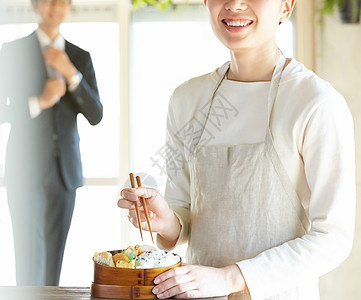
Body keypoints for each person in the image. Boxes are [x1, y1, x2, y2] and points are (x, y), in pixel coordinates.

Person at [118, 0, 356, 299]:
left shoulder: (315, 102)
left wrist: (230, 278)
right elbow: (186, 213)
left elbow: (333, 238)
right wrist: (164, 219)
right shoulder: (187, 99)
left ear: (286, 7)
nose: (234, 4)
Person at [0, 0, 102, 286]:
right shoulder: (13, 51)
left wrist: (71, 74)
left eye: (62, 1)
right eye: (48, 0)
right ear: (35, 5)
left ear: (69, 8)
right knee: (27, 257)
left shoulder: (80, 57)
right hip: (24, 168)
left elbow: (96, 115)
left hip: (64, 173)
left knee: (54, 260)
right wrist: (38, 102)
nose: (55, 7)